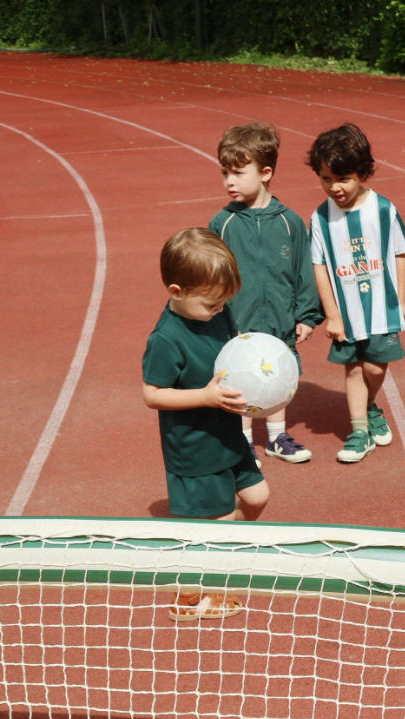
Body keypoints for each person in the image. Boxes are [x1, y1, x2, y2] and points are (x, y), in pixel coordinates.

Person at [142, 228, 269, 622]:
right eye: (211, 303)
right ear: (177, 291)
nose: (220, 310)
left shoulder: (218, 311)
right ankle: (199, 595)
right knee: (220, 523)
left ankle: (214, 557)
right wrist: (206, 396)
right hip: (196, 446)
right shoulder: (166, 339)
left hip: (227, 435)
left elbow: (232, 348)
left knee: (257, 497)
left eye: (223, 302)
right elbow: (153, 394)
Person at [209, 121, 321, 466]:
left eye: (238, 173)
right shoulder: (221, 223)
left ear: (266, 172)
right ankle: (243, 442)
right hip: (236, 319)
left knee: (278, 374)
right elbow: (212, 273)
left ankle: (276, 438)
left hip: (279, 318)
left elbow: (304, 271)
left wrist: (306, 315)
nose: (229, 181)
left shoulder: (289, 221)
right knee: (241, 377)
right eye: (225, 172)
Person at [307, 123, 405, 463]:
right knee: (353, 368)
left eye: (344, 178)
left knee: (375, 368)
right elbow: (320, 267)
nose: (335, 188)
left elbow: (399, 253)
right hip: (347, 314)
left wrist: (401, 300)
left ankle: (369, 406)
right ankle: (359, 430)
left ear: (362, 172)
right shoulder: (320, 218)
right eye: (326, 179)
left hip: (382, 309)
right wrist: (333, 314)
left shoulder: (383, 210)